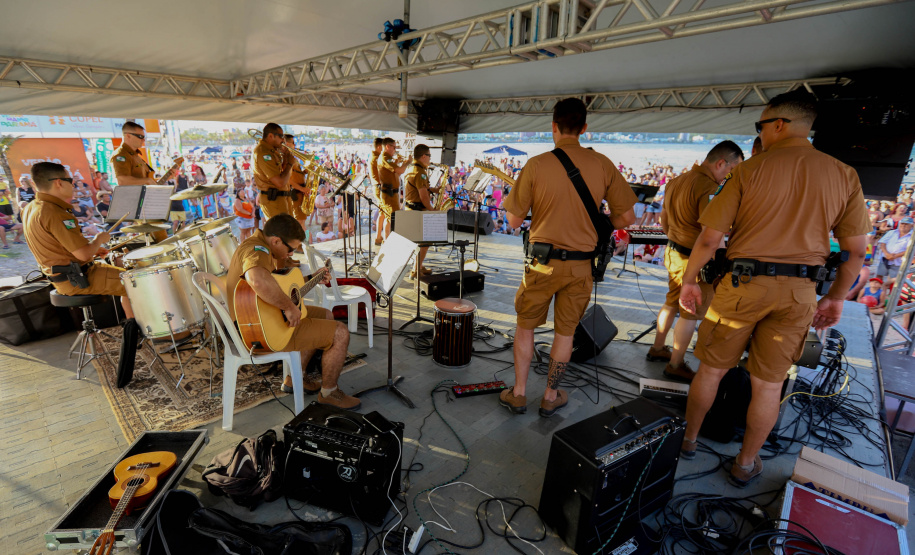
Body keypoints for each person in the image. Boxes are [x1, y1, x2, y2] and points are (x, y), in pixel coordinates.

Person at [677, 92, 869, 488]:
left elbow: (711, 239)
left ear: (778, 124)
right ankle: (746, 464)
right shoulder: (844, 174)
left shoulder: (748, 171)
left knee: (712, 371)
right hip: (800, 293)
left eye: (760, 126)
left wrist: (690, 280)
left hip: (743, 286)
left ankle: (689, 441)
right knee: (769, 383)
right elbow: (856, 251)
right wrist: (835, 298)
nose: (760, 134)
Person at [499, 98, 637, 418]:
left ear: (553, 127)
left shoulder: (536, 164)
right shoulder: (602, 164)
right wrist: (602, 225)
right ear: (585, 129)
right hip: (581, 266)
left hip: (541, 263)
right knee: (565, 333)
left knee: (525, 327)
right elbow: (627, 216)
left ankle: (518, 393)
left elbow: (513, 222)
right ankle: (550, 395)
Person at [225, 214, 359, 409]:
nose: (290, 254)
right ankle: (329, 393)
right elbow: (257, 280)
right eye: (290, 249)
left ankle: (296, 377)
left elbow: (280, 284)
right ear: (276, 240)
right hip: (256, 329)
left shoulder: (260, 245)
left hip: (256, 319)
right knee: (340, 332)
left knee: (326, 316)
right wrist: (288, 307)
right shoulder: (257, 250)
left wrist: (313, 278)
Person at [647, 141, 745, 382]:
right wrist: (720, 264)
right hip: (696, 261)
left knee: (671, 302)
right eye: (733, 170)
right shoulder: (710, 188)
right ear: (721, 163)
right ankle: (675, 364)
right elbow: (710, 234)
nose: (732, 177)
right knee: (690, 313)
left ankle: (658, 348)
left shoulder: (676, 181)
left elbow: (665, 223)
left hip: (673, 252)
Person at [22, 162, 135, 320]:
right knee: (137, 283)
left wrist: (93, 249)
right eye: (71, 181)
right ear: (59, 182)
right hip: (78, 278)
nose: (74, 185)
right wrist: (98, 240)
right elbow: (83, 254)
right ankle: (136, 331)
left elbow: (57, 246)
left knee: (130, 278)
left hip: (65, 276)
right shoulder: (54, 212)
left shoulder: (30, 208)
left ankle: (134, 325)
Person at [111, 122, 176, 242]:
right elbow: (122, 180)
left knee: (159, 239)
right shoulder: (121, 155)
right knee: (161, 241)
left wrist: (165, 177)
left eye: (143, 136)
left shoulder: (136, 156)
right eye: (140, 136)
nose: (143, 139)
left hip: (147, 203)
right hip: (140, 205)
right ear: (127, 136)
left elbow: (147, 181)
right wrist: (147, 180)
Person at [403, 144, 440, 278]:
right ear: (424, 156)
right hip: (418, 211)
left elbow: (419, 189)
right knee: (425, 242)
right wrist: (433, 210)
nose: (430, 159)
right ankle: (416, 269)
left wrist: (433, 190)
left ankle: (418, 265)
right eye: (429, 156)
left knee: (420, 242)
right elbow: (423, 197)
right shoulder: (420, 172)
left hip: (411, 209)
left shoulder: (411, 168)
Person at [253, 122, 294, 220]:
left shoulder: (272, 151)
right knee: (282, 233)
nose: (283, 140)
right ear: (271, 136)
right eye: (281, 136)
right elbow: (279, 182)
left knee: (290, 231)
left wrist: (286, 158)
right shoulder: (263, 152)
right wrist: (290, 164)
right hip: (274, 200)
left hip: (281, 197)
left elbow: (281, 173)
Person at [376, 137, 409, 241]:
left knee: (390, 218)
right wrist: (407, 162)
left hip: (391, 193)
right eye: (394, 147)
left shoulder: (387, 157)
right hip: (389, 194)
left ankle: (387, 240)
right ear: (387, 146)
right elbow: (400, 170)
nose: (395, 150)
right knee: (392, 219)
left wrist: (398, 161)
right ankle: (388, 241)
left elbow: (394, 171)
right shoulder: (385, 157)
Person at [284, 134, 311, 232]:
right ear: (287, 143)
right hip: (296, 192)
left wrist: (305, 172)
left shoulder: (292, 157)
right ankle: (298, 245)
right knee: (299, 222)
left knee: (302, 221)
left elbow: (295, 175)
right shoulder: (286, 158)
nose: (295, 145)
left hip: (300, 192)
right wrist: (303, 189)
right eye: (293, 143)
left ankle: (302, 244)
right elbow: (288, 180)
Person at [369, 138, 385, 245]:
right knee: (384, 213)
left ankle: (379, 236)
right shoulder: (376, 158)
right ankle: (379, 236)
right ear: (379, 147)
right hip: (379, 187)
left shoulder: (375, 157)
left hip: (377, 187)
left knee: (383, 213)